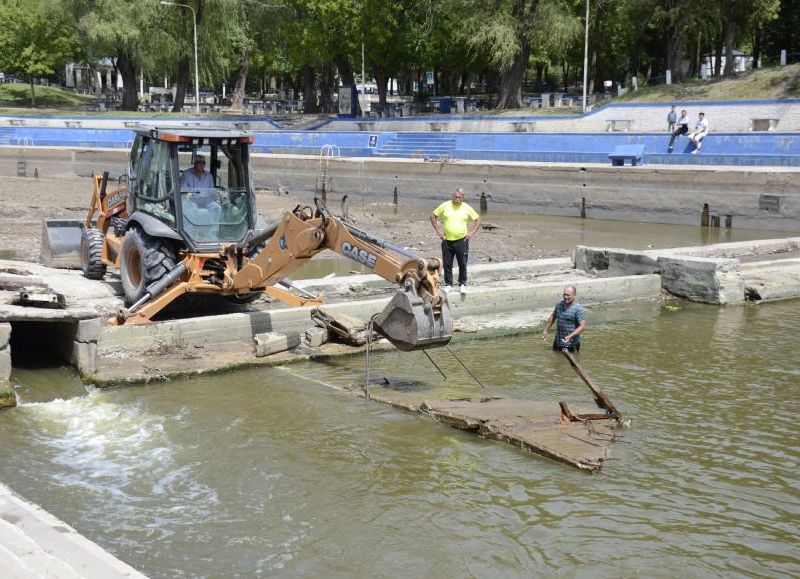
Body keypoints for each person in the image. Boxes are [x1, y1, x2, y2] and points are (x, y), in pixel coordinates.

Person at [430, 188, 481, 295]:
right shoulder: (445, 205)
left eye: (459, 197)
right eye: (455, 197)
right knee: (447, 264)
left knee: (462, 263)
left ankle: (462, 284)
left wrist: (471, 233)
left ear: (463, 198)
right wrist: (438, 230)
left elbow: (478, 220)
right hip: (447, 240)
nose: (457, 199)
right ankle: (448, 284)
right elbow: (433, 216)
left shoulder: (466, 208)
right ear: (453, 197)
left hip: (462, 240)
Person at [540, 285, 586, 352]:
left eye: (568, 295)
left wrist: (570, 336)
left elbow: (582, 326)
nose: (565, 297)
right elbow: (553, 316)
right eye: (564, 295)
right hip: (557, 343)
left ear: (574, 295)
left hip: (572, 345)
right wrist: (545, 330)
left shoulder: (578, 309)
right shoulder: (559, 304)